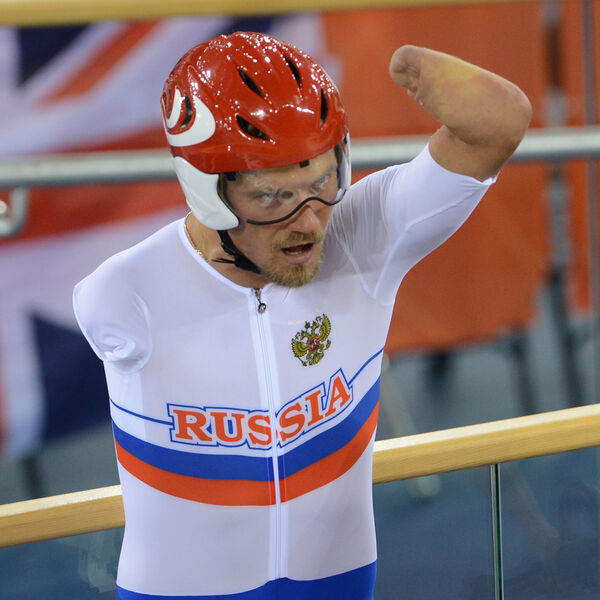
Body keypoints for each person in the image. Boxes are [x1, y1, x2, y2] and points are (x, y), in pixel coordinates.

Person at [73, 31, 531, 600]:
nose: (309, 222)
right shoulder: (121, 295)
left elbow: (498, 123)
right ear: (207, 193)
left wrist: (419, 63)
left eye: (320, 183)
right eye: (273, 197)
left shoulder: (365, 237)